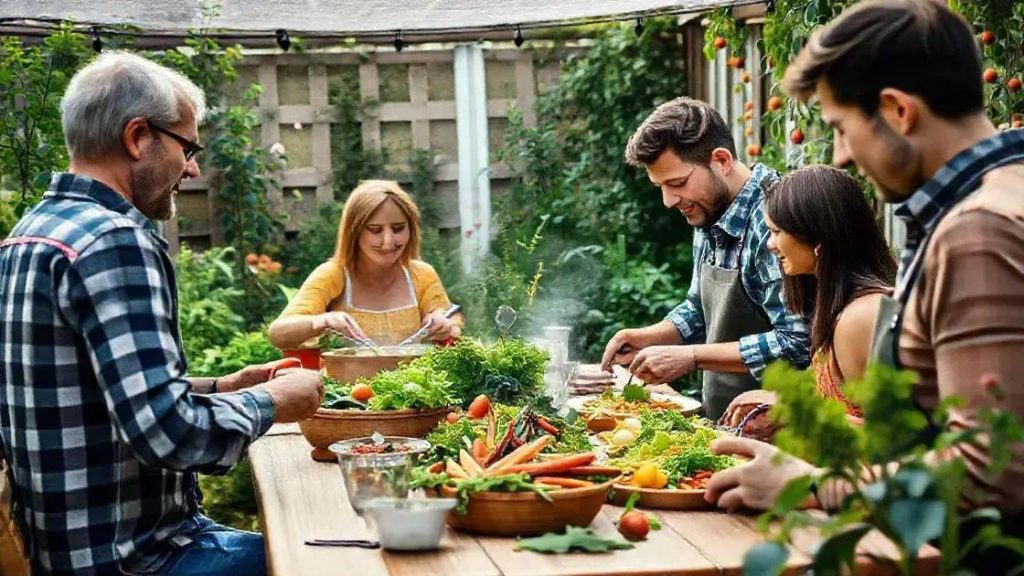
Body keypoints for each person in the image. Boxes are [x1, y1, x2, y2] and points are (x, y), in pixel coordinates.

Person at [706, 0, 1024, 568]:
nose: (841, 157)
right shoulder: (998, 200)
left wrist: (814, 485)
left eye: (841, 129)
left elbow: (991, 472)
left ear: (898, 110)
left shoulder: (978, 231)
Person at [0, 52, 324, 575]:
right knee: (325, 557)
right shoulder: (114, 241)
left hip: (70, 553)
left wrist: (224, 385)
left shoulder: (30, 235)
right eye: (187, 146)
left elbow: (95, 395)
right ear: (136, 137)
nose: (192, 167)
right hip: (139, 559)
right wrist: (270, 402)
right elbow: (167, 434)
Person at [600, 97, 811, 421]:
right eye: (660, 187)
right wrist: (649, 337)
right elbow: (699, 309)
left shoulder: (773, 219)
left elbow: (799, 342)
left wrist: (693, 357)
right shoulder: (708, 209)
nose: (669, 200)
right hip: (724, 423)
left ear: (721, 160)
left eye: (677, 183)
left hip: (780, 433)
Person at [719, 165, 896, 433]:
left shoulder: (862, 317)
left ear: (816, 237)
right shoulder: (836, 304)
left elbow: (894, 439)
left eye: (776, 232)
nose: (769, 244)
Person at [267, 180, 461, 349]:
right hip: (346, 389)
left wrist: (444, 325)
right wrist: (321, 321)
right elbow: (277, 334)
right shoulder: (332, 274)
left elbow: (452, 322)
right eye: (375, 230)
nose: (388, 241)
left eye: (398, 228)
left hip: (412, 387)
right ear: (355, 232)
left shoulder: (422, 274)